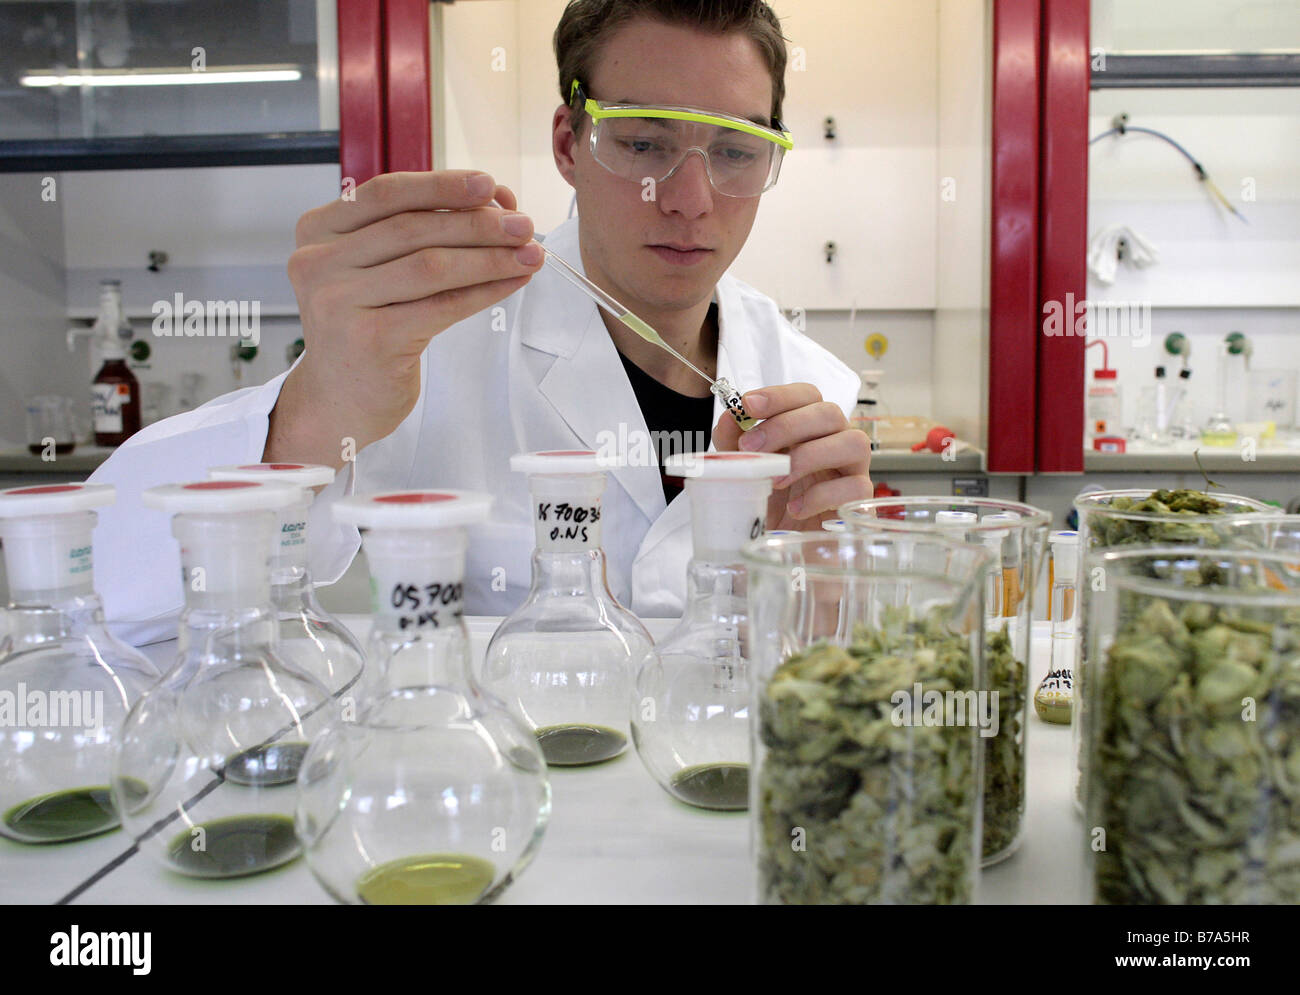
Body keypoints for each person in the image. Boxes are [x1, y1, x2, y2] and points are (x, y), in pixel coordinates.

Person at [89, 0, 870, 646]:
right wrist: (313, 419)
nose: (691, 199)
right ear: (570, 142)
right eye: (642, 142)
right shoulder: (429, 345)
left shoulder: (812, 387)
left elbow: (844, 678)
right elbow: (109, 597)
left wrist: (827, 583)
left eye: (736, 151)